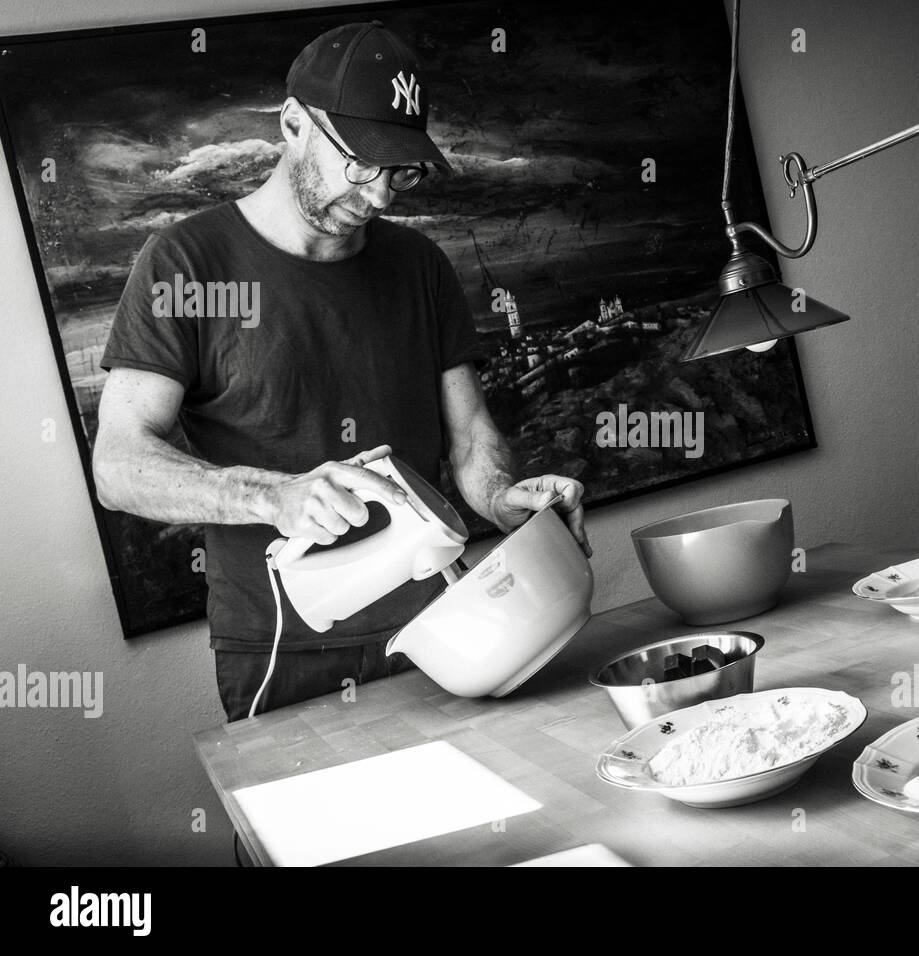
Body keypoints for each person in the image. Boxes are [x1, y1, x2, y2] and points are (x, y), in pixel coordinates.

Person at [92, 21, 590, 721]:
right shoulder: (185, 265)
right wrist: (277, 498)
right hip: (285, 650)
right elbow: (117, 464)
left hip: (441, 625)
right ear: (294, 123)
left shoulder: (420, 267)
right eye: (362, 163)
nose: (382, 196)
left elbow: (471, 435)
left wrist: (507, 500)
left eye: (403, 170)